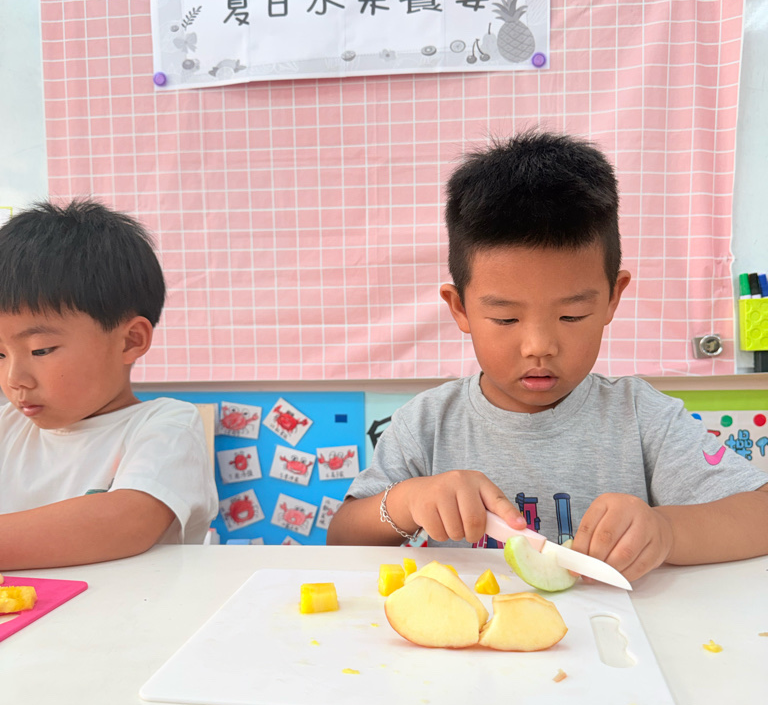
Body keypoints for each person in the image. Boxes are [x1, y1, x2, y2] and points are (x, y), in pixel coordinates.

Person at [327, 130, 768, 581]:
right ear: (460, 308)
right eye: (506, 319)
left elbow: (761, 512)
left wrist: (667, 531)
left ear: (613, 298)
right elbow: (341, 539)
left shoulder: (642, 418)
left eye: (571, 315)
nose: (539, 345)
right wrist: (406, 502)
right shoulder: (427, 424)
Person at [0, 199, 219, 569]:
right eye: (0, 354)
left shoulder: (166, 426)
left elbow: (126, 522)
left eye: (41, 350)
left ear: (130, 341)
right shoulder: (7, 428)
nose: (14, 379)